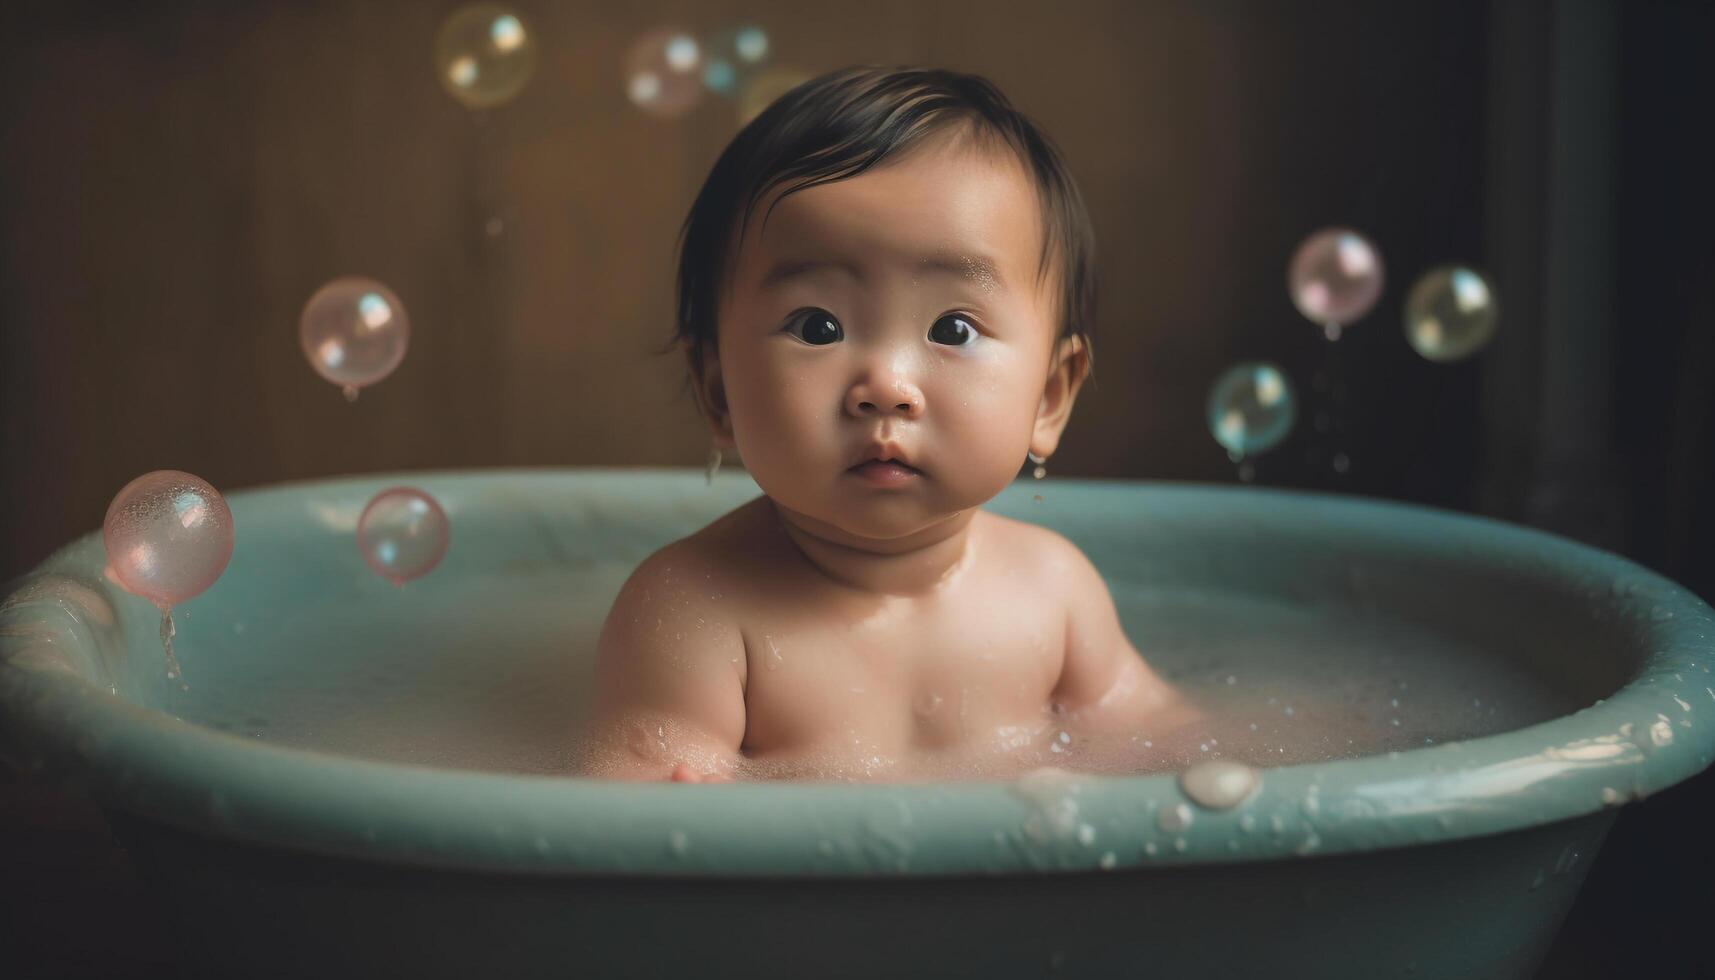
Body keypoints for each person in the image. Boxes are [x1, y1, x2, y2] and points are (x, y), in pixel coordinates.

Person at [580, 66, 1197, 783]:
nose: (886, 388)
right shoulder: (694, 613)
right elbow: (640, 833)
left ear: (1048, 397)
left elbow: (1168, 746)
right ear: (718, 393)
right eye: (818, 327)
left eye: (953, 327)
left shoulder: (1055, 594)